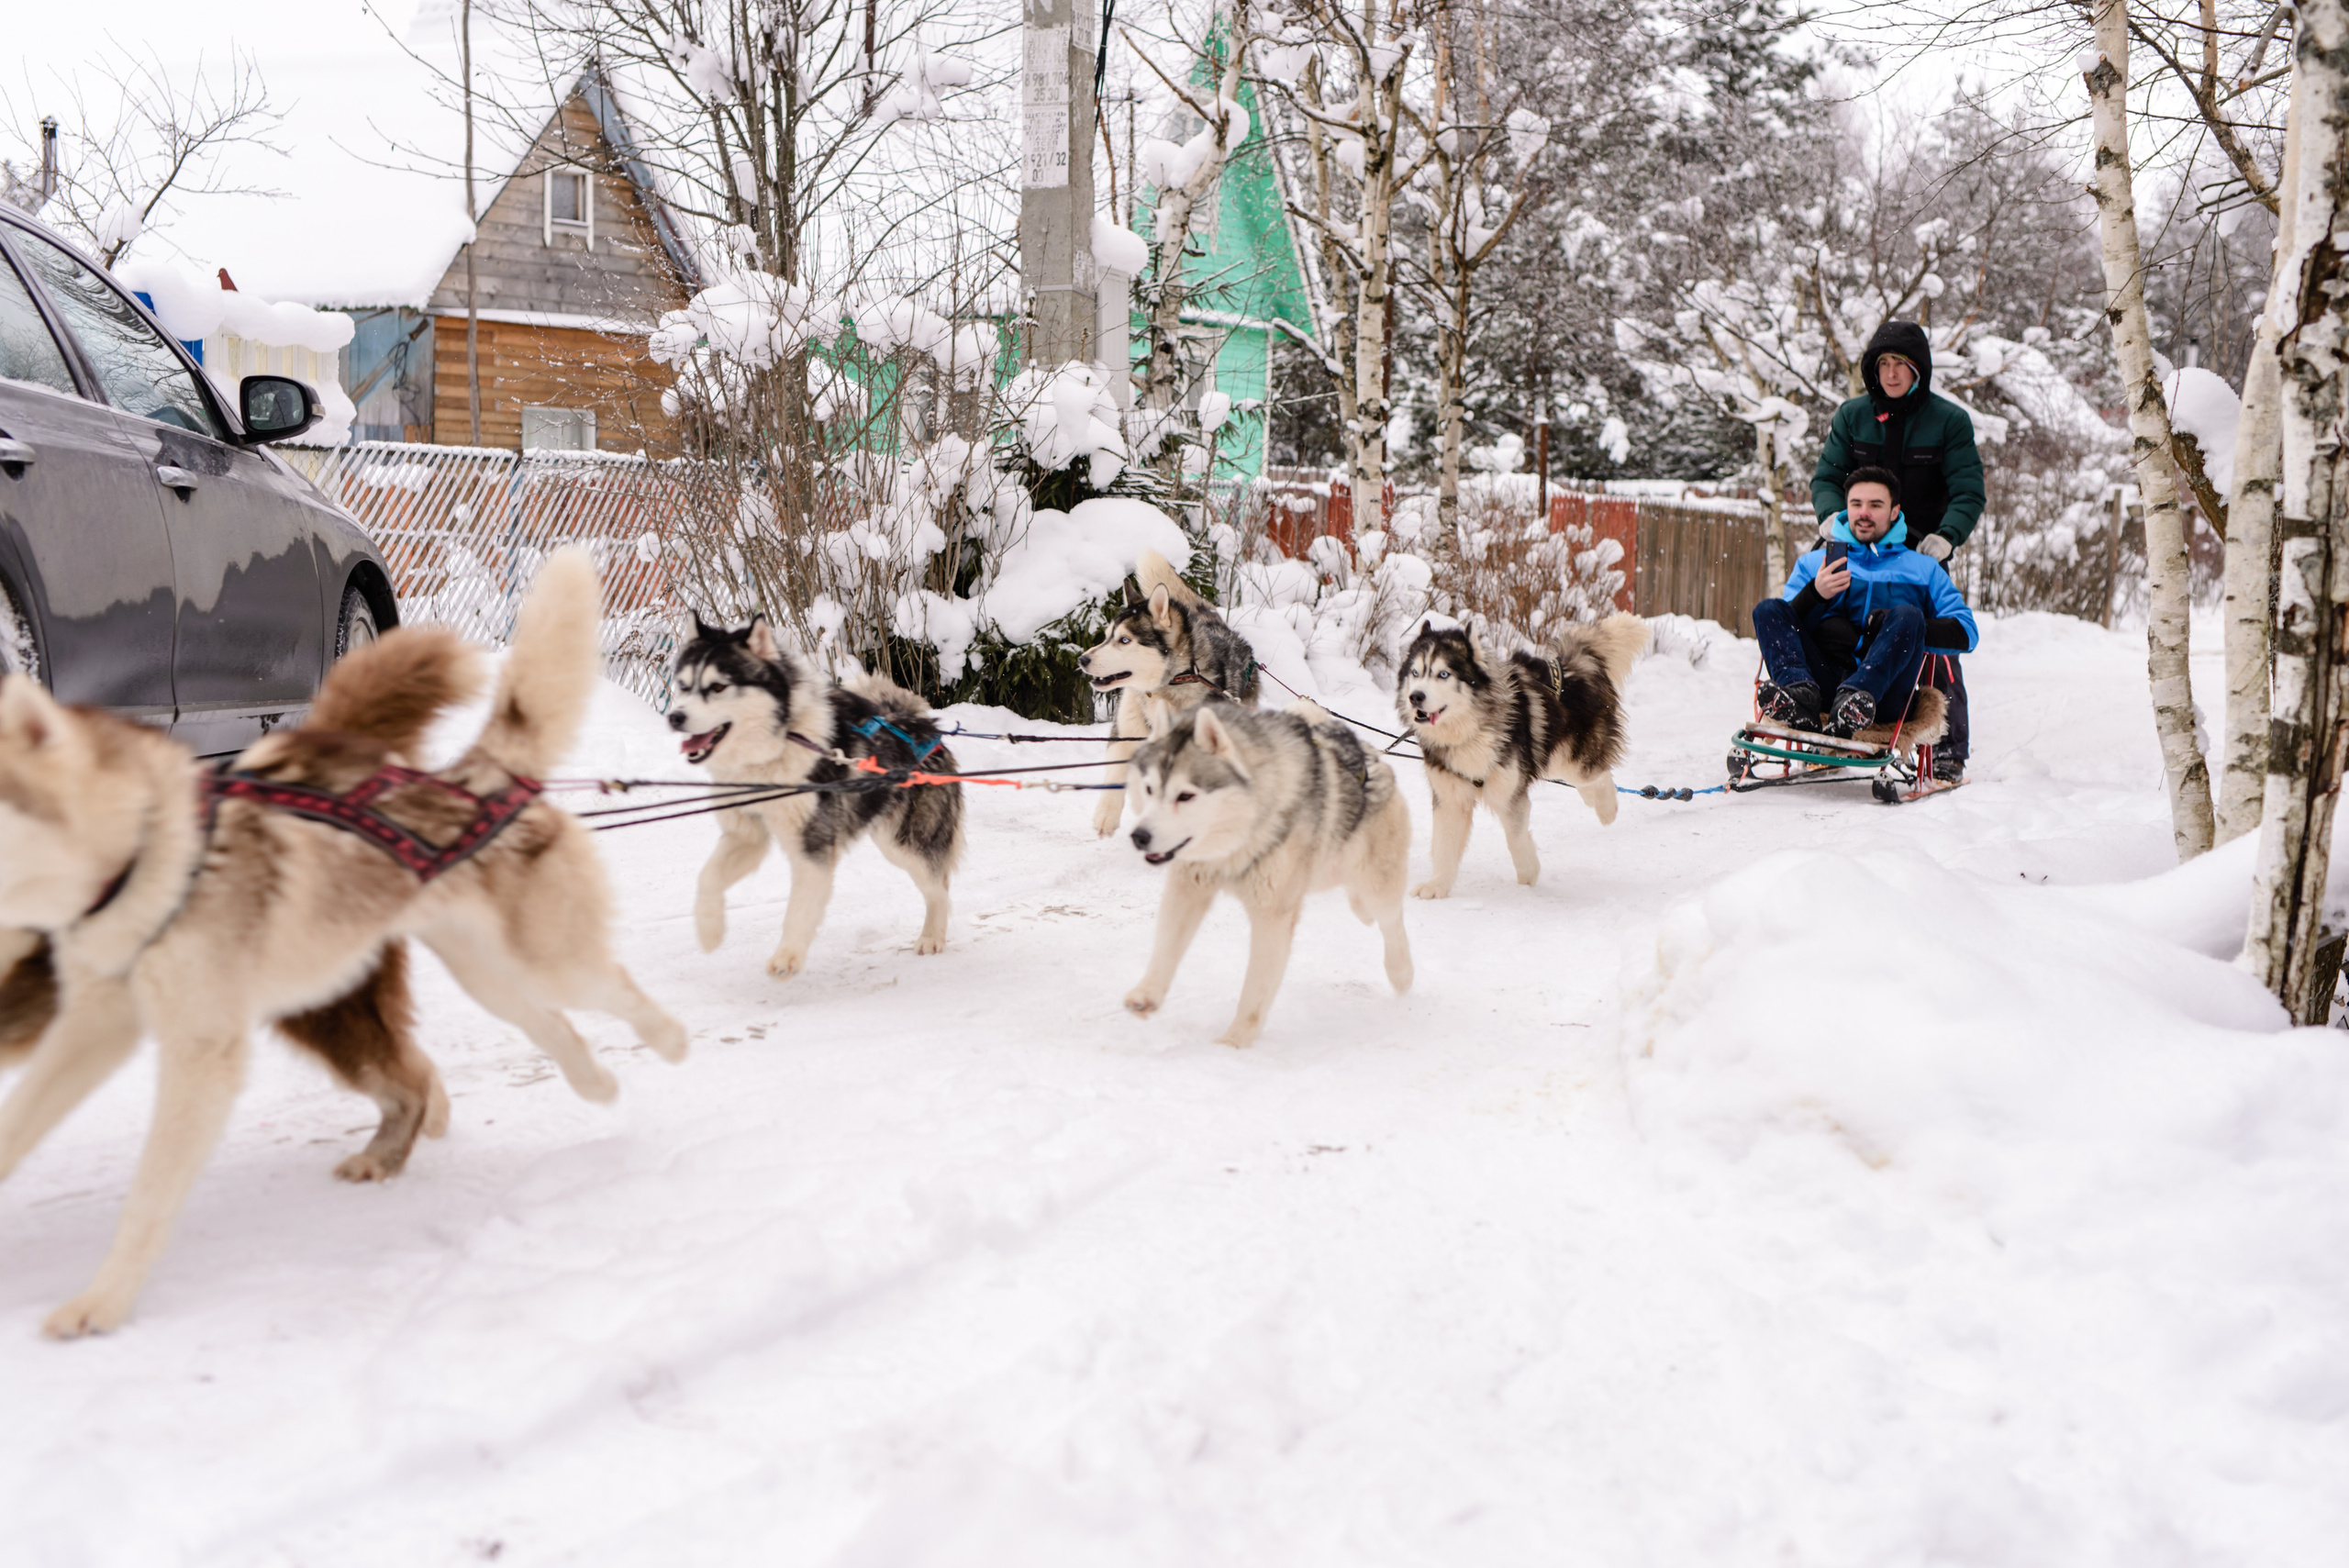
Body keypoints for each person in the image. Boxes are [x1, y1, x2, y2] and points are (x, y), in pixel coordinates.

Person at [1810, 320, 1983, 780]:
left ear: (1918, 370)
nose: (1890, 374)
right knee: (1818, 617)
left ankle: (1947, 745)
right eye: (1883, 364)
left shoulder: (1949, 421)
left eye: (1900, 365)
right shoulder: (1852, 415)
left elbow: (1968, 491)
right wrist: (1831, 517)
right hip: (1853, 540)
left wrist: (1946, 535)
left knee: (1933, 639)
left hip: (1917, 549)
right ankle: (1817, 713)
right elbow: (1827, 476)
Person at [1753, 466, 1978, 741]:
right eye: (1856, 504)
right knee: (1767, 609)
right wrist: (1815, 594)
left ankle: (1855, 699)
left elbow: (1967, 633)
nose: (1864, 513)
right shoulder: (1816, 563)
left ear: (1895, 512)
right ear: (1846, 509)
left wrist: (1899, 629)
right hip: (1820, 688)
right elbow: (1781, 626)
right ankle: (1800, 697)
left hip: (1882, 699)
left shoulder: (1924, 569)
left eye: (1875, 505)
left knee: (1908, 615)